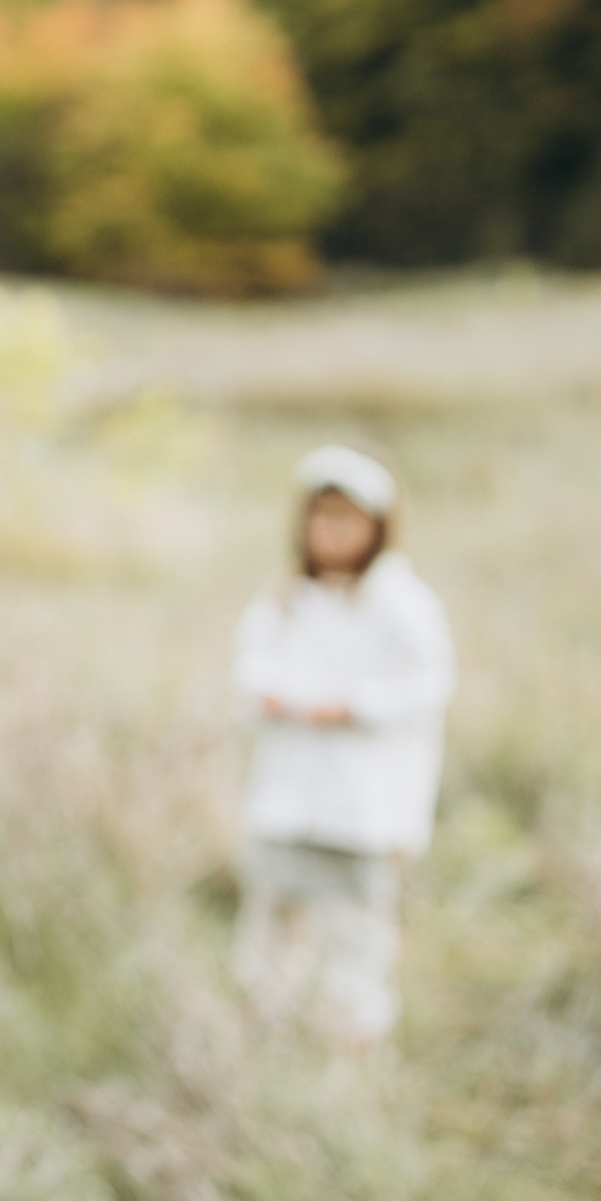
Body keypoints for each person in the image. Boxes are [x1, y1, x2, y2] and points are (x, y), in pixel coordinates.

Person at [229, 444, 455, 1048]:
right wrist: (275, 698)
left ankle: (351, 1028)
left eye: (346, 519)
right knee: (274, 908)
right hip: (288, 796)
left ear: (377, 528)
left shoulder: (401, 603)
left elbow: (427, 684)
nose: (330, 531)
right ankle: (265, 1018)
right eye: (320, 516)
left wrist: (351, 706)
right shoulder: (285, 600)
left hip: (363, 805)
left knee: (354, 922)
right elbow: (250, 671)